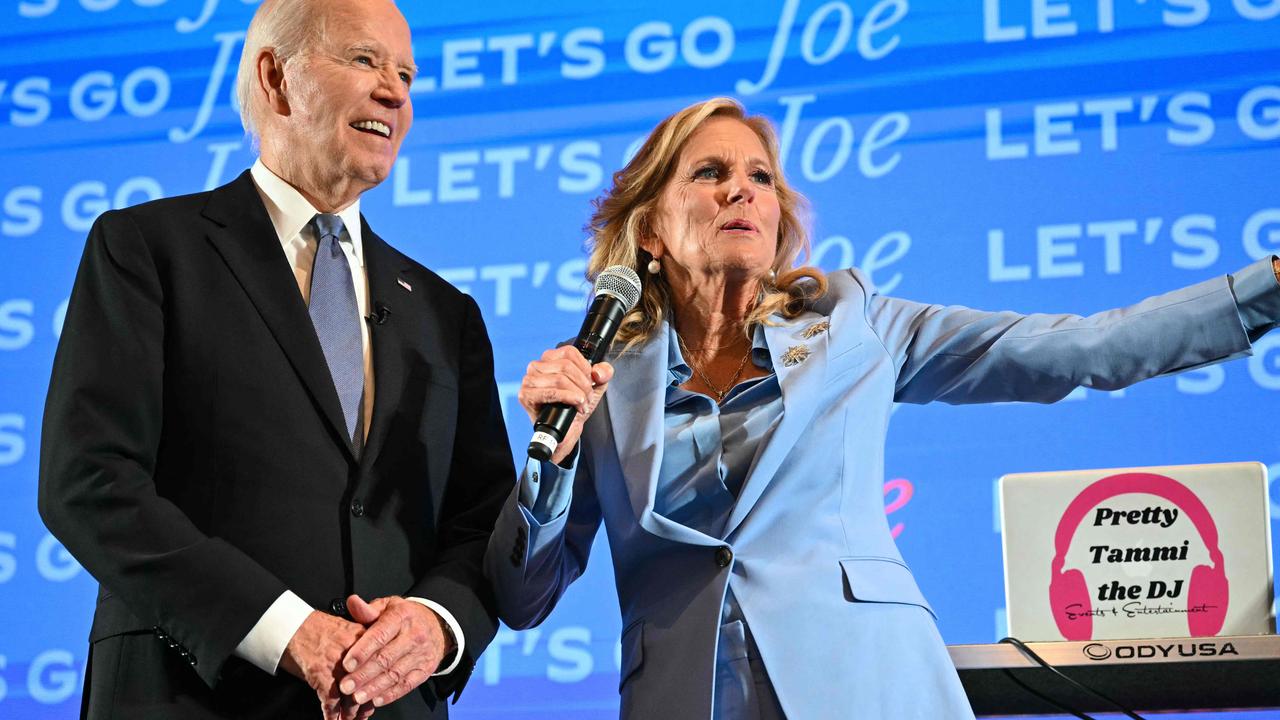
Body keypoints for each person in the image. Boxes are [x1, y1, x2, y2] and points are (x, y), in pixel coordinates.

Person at [484, 96, 1280, 719]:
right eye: (708, 173)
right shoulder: (598, 377)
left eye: (760, 177)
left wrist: (1266, 287)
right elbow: (524, 598)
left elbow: (1082, 349)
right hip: (685, 700)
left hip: (864, 683)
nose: (742, 191)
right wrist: (547, 464)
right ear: (650, 229)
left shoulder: (854, 325)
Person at [37, 1, 514, 718]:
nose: (395, 92)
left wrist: (434, 626)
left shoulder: (445, 313)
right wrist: (288, 630)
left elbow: (485, 523)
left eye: (408, 75)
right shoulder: (148, 250)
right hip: (188, 696)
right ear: (276, 77)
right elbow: (90, 481)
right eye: (365, 61)